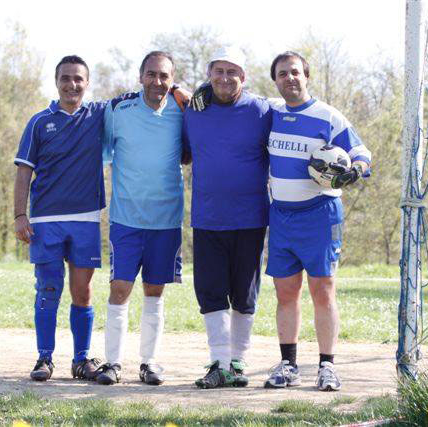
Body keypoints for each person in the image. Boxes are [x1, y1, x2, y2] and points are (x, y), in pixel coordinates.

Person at [262, 51, 371, 391]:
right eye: (282, 74)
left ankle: (327, 366)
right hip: (281, 216)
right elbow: (232, 98)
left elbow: (362, 153)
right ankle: (288, 365)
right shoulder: (270, 113)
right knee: (285, 293)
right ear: (276, 80)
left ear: (306, 76)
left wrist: (355, 171)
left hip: (320, 215)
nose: (289, 78)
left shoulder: (328, 116)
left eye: (295, 72)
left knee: (322, 291)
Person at [95, 51, 189, 386]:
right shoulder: (118, 110)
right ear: (140, 76)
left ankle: (149, 363)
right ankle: (112, 363)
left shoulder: (183, 110)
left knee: (154, 291)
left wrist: (188, 98)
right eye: (151, 75)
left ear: (172, 79)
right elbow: (102, 154)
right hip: (126, 219)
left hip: (166, 219)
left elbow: (193, 151)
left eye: (164, 76)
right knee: (119, 288)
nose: (157, 82)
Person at [183, 46, 272, 389]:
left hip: (250, 217)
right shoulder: (193, 110)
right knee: (210, 291)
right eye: (218, 71)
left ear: (244, 77)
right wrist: (186, 93)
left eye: (231, 71)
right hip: (207, 216)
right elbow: (185, 151)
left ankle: (237, 362)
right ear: (209, 75)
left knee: (244, 293)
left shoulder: (262, 111)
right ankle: (218, 361)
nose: (224, 78)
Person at [13, 55, 106, 382]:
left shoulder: (99, 116)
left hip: (86, 220)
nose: (72, 84)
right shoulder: (40, 121)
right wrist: (20, 214)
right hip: (46, 221)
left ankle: (81, 360)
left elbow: (138, 97)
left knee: (82, 292)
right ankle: (44, 358)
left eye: (79, 79)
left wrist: (178, 90)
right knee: (49, 289)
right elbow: (24, 170)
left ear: (87, 83)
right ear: (57, 82)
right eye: (66, 78)